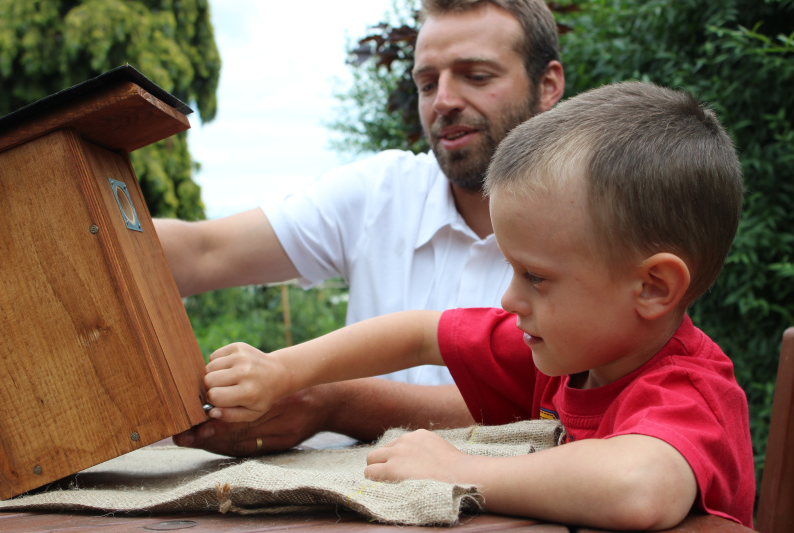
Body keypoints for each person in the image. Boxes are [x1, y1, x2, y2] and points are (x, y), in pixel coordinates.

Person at [200, 81, 754, 530]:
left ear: (653, 287)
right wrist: (283, 370)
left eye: (535, 276)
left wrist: (458, 469)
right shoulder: (578, 356)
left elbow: (638, 488)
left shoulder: (688, 392)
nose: (509, 298)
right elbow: (420, 334)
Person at [161, 0, 565, 455]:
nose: (443, 101)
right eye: (427, 83)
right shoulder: (381, 191)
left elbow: (549, 403)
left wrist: (336, 403)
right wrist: (95, 228)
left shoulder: (596, 222)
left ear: (547, 85)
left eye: (476, 76)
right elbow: (203, 251)